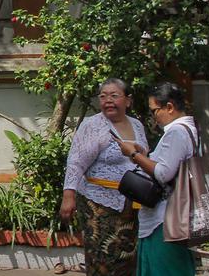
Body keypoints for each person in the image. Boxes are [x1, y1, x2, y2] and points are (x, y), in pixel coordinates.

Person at [59, 78, 149, 276]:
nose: (108, 100)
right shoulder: (93, 125)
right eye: (103, 96)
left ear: (128, 101)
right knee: (103, 259)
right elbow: (76, 161)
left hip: (131, 204)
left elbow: (144, 157)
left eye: (114, 95)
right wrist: (68, 195)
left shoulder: (137, 125)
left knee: (128, 257)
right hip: (99, 204)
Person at [115, 82, 198, 276]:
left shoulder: (177, 132)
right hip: (174, 217)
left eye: (154, 110)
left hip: (165, 220)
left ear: (169, 107)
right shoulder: (190, 130)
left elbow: (163, 173)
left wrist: (134, 155)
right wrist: (144, 154)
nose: (154, 117)